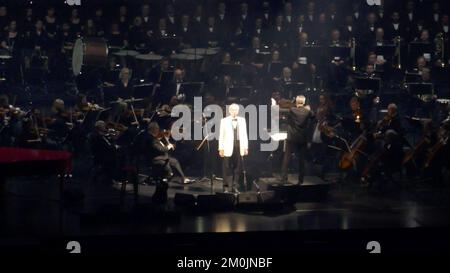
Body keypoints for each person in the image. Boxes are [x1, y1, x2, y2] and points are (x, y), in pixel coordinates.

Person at [280, 95, 314, 185]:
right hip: (302, 138)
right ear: (304, 102)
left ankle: (283, 178)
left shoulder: (292, 110)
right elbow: (314, 118)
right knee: (301, 159)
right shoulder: (308, 111)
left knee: (287, 157)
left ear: (296, 101)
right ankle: (301, 180)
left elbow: (280, 110)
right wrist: (308, 109)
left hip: (291, 137)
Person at [219, 103, 248, 193]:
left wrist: (246, 147)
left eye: (236, 110)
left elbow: (245, 135)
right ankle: (226, 187)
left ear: (238, 111)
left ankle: (235, 186)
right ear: (230, 110)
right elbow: (221, 135)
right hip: (227, 147)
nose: (235, 111)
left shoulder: (242, 120)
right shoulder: (224, 121)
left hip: (239, 147)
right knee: (226, 168)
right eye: (233, 109)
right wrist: (221, 148)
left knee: (237, 168)